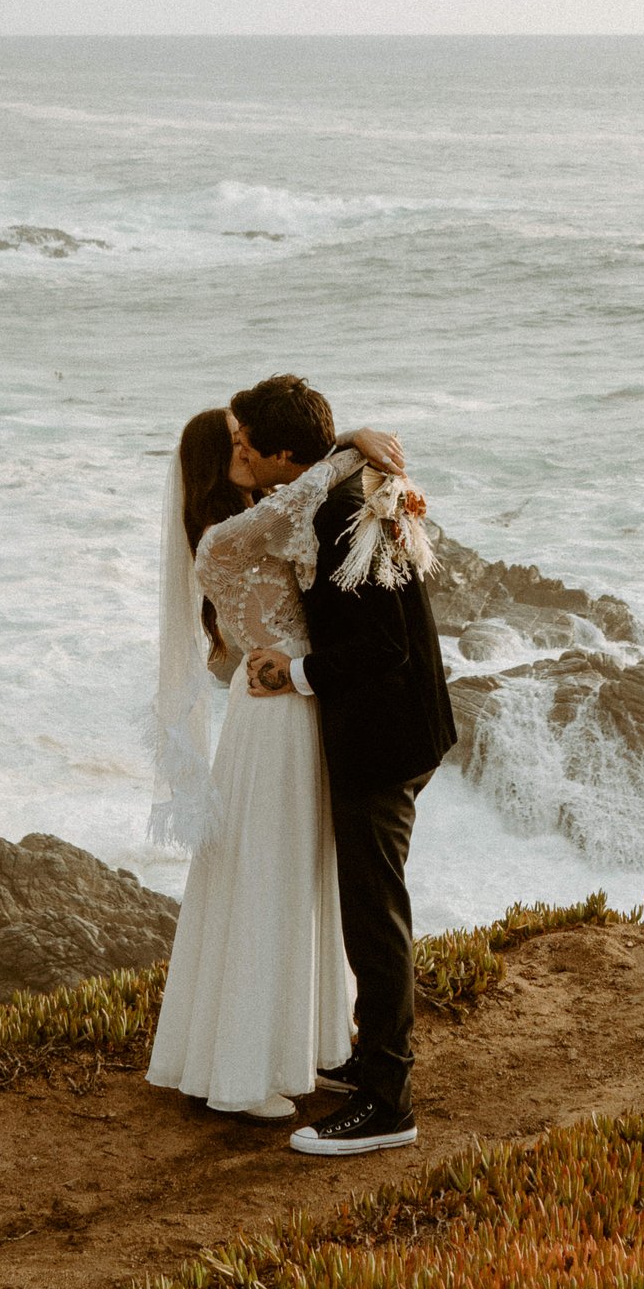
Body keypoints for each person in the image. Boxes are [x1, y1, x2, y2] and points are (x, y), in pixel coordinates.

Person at [226, 373, 455, 1160]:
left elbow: (380, 645)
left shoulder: (330, 512)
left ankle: (390, 1102)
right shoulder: (349, 483)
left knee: (374, 914)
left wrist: (290, 676)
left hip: (382, 739)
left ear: (285, 454)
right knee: (370, 904)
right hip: (412, 726)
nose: (239, 454)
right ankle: (370, 1063)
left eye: (246, 445)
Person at [143, 403, 363, 1120]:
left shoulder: (247, 523)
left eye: (251, 441)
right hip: (273, 720)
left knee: (288, 874)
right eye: (236, 443)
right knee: (268, 876)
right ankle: (245, 1070)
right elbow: (306, 488)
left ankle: (292, 1047)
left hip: (281, 704)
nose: (248, 449)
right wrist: (350, 445)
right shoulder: (221, 538)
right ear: (220, 460)